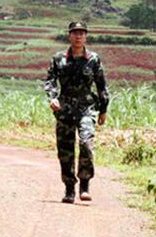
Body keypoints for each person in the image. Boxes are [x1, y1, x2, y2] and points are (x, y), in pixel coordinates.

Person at [43, 21, 109, 204]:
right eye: (75, 33)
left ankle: (85, 184)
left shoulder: (93, 59)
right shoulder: (59, 59)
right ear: (69, 36)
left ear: (86, 37)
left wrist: (103, 109)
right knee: (65, 150)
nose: (78, 36)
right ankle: (69, 188)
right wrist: (52, 98)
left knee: (86, 143)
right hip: (64, 108)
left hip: (86, 107)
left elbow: (101, 85)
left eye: (81, 33)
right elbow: (50, 81)